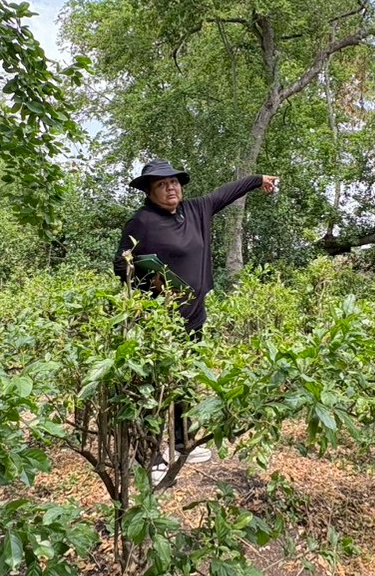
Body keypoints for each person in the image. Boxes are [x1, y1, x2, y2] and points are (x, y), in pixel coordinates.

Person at [113, 159, 278, 484]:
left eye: (174, 182)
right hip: (158, 322)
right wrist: (152, 281)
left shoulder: (196, 211)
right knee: (156, 386)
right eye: (161, 184)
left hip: (193, 316)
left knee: (184, 381)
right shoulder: (141, 223)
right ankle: (148, 456)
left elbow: (226, 193)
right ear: (148, 191)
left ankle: (181, 441)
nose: (170, 188)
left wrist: (259, 179)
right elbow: (122, 265)